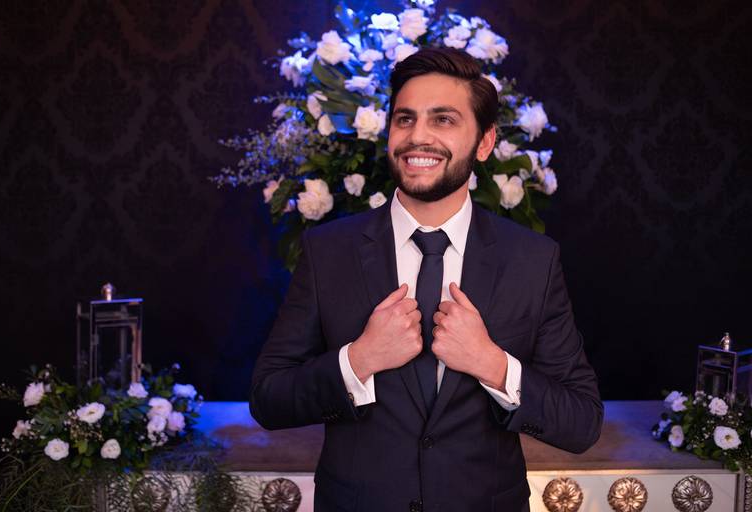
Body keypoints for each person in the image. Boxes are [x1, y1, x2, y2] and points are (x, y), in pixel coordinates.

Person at [250, 47, 602, 512]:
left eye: (443, 120)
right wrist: (359, 359)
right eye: (405, 119)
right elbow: (268, 398)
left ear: (484, 143)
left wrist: (492, 364)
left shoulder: (532, 259)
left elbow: (581, 422)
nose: (418, 137)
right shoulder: (328, 250)